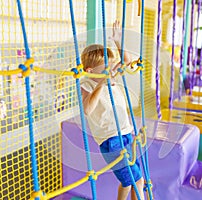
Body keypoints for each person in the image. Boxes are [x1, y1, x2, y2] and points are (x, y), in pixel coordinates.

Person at [80, 20, 145, 200]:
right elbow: (87, 109)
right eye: (105, 66)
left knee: (127, 182)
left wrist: (118, 41)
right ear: (91, 70)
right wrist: (102, 81)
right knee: (138, 181)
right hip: (111, 141)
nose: (110, 69)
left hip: (126, 134)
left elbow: (126, 61)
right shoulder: (86, 83)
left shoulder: (107, 73)